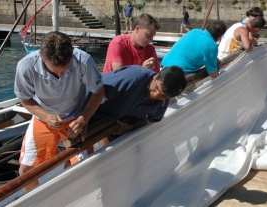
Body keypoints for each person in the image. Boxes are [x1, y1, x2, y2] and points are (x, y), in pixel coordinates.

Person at [14, 31, 105, 191]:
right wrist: (46, 116)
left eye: (65, 69)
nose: (60, 75)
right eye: (55, 71)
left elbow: (98, 92)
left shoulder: (84, 60)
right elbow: (25, 99)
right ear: (41, 55)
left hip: (76, 117)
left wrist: (84, 118)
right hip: (43, 118)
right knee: (26, 171)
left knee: (82, 168)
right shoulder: (26, 66)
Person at [68, 65, 187, 164]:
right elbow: (95, 90)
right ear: (156, 76)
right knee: (78, 160)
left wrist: (130, 126)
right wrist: (84, 118)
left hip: (112, 123)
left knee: (131, 160)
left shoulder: (162, 104)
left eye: (163, 96)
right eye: (156, 88)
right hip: (85, 113)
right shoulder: (132, 78)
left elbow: (150, 120)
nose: (156, 95)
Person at [162, 20, 227, 78]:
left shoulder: (195, 31)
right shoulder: (212, 46)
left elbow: (196, 49)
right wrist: (219, 68)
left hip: (163, 67)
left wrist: (215, 59)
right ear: (220, 37)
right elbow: (213, 74)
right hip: (177, 74)